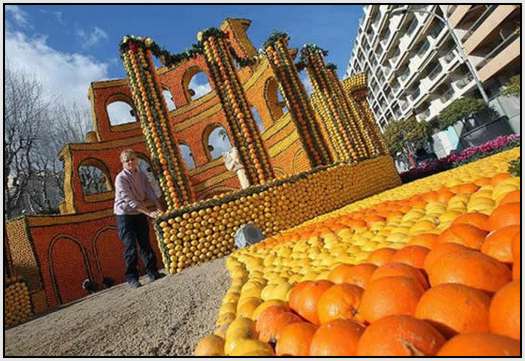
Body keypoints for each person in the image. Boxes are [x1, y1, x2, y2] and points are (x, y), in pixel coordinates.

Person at [114, 149, 165, 288]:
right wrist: (149, 213)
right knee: (130, 246)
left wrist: (158, 206)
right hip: (124, 215)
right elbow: (130, 201)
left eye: (132, 159)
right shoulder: (121, 178)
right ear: (123, 163)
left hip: (139, 212)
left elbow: (149, 191)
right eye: (127, 161)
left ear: (137, 160)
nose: (130, 162)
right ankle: (132, 277)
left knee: (145, 243)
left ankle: (153, 272)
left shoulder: (141, 174)